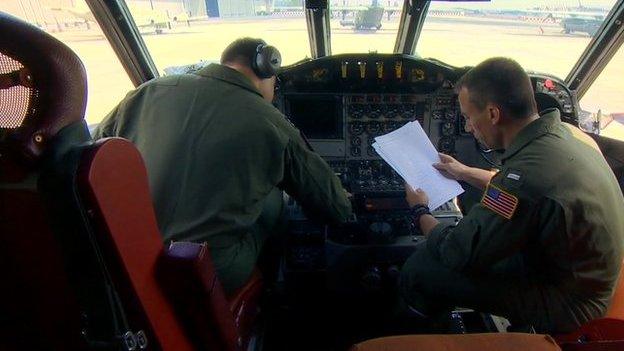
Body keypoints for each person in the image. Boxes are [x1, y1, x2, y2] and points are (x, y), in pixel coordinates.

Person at [94, 38, 352, 294]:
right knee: (275, 197)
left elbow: (96, 151)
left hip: (133, 252)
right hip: (210, 269)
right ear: (266, 70)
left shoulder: (146, 91)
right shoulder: (272, 122)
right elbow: (335, 209)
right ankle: (274, 294)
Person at [399, 57, 624, 333]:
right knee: (471, 204)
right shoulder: (565, 134)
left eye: (469, 117)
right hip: (585, 274)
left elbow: (456, 251)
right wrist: (464, 172)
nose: (469, 127)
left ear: (493, 114)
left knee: (422, 267)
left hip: (573, 305)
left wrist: (420, 210)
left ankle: (436, 337)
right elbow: (521, 190)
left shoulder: (526, 178)